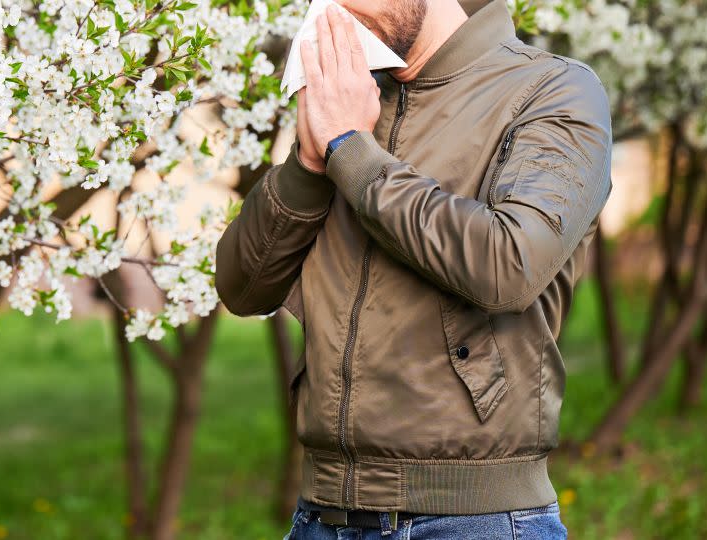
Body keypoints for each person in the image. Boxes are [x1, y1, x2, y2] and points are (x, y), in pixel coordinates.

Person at [215, 0, 612, 538]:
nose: (330, 11)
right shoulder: (350, 102)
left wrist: (350, 150)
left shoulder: (553, 91)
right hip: (322, 516)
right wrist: (310, 163)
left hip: (479, 521)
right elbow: (243, 288)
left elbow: (510, 265)